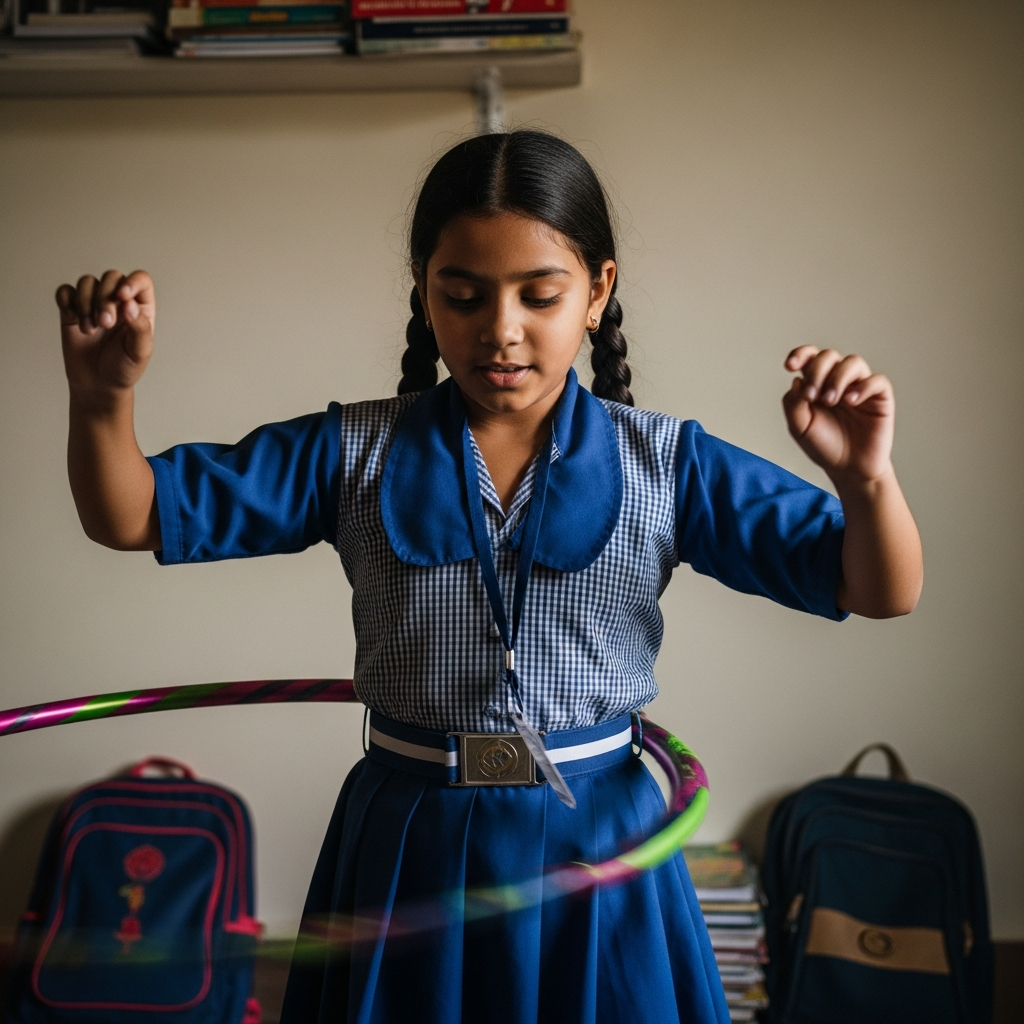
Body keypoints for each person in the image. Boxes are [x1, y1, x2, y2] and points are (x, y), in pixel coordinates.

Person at [55, 130, 922, 1024]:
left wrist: (865, 480)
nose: (499, 330)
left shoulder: (669, 465)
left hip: (599, 840)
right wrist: (102, 401)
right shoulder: (350, 450)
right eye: (462, 296)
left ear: (598, 293)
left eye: (539, 295)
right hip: (407, 840)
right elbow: (133, 514)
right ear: (424, 297)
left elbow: (876, 589)